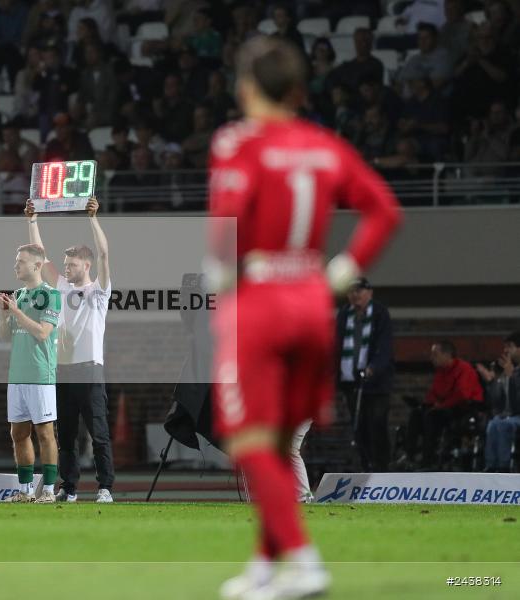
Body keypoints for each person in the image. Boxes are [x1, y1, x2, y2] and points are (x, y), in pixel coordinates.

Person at [206, 37, 402, 599]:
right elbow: (385, 211)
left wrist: (219, 294)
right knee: (279, 444)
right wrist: (342, 272)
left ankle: (304, 559)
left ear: (245, 86)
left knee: (250, 442)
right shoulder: (323, 144)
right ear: (297, 89)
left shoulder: (236, 141)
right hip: (313, 303)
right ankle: (263, 570)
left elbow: (226, 227)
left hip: (261, 301)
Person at [24, 196, 115, 503]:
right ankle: (71, 488)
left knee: (99, 434)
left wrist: (92, 218)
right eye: (66, 264)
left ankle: (104, 488)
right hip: (62, 370)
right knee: (66, 436)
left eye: (72, 264)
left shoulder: (99, 292)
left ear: (85, 265)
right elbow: (39, 257)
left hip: (90, 368)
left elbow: (104, 252)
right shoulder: (61, 286)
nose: (67, 267)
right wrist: (32, 220)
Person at [0, 245, 62, 503]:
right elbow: (5, 336)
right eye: (16, 261)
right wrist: (4, 315)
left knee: (45, 432)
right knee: (18, 433)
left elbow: (43, 332)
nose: (16, 266)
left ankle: (47, 490)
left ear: (37, 265)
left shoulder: (51, 294)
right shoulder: (19, 295)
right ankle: (24, 491)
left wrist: (15, 311)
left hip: (40, 374)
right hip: (17, 376)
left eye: (21, 262)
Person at [336, 277, 395, 472]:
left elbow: (385, 346)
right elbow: (338, 344)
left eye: (359, 290)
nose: (355, 294)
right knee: (358, 424)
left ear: (369, 293)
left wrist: (373, 368)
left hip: (376, 382)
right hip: (351, 380)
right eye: (352, 291)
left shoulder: (380, 313)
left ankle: (382, 466)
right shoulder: (345, 314)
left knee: (377, 422)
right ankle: (365, 464)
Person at [405, 341, 484, 469]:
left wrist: (439, 406)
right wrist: (425, 405)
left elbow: (462, 395)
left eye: (435, 354)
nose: (432, 358)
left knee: (431, 417)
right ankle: (410, 456)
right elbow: (434, 393)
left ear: (447, 355)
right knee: (416, 413)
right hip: (445, 407)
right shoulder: (441, 371)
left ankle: (428, 460)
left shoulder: (464, 369)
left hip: (463, 409)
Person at [477, 332, 520, 472]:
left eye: (510, 347)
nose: (506, 351)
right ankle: (491, 465)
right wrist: (491, 382)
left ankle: (503, 467)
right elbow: (497, 401)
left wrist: (512, 377)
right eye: (505, 347)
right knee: (493, 424)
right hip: (509, 415)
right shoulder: (508, 371)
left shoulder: (512, 372)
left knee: (503, 425)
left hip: (517, 415)